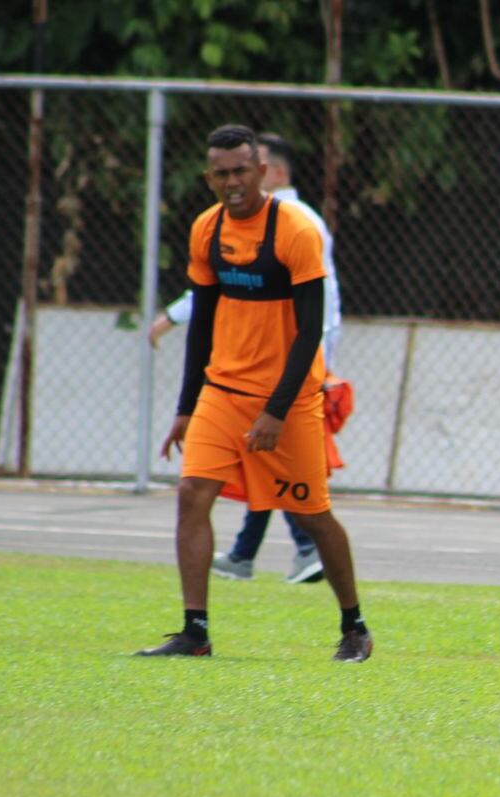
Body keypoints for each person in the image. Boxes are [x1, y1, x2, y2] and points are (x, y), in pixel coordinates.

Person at [138, 123, 371, 662]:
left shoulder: (294, 231)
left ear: (262, 171)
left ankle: (354, 627)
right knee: (192, 494)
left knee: (313, 515)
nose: (232, 182)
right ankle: (195, 633)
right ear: (208, 177)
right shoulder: (205, 230)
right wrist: (185, 407)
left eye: (241, 170)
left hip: (288, 398)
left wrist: (275, 410)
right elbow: (201, 326)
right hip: (222, 390)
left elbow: (309, 330)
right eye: (220, 173)